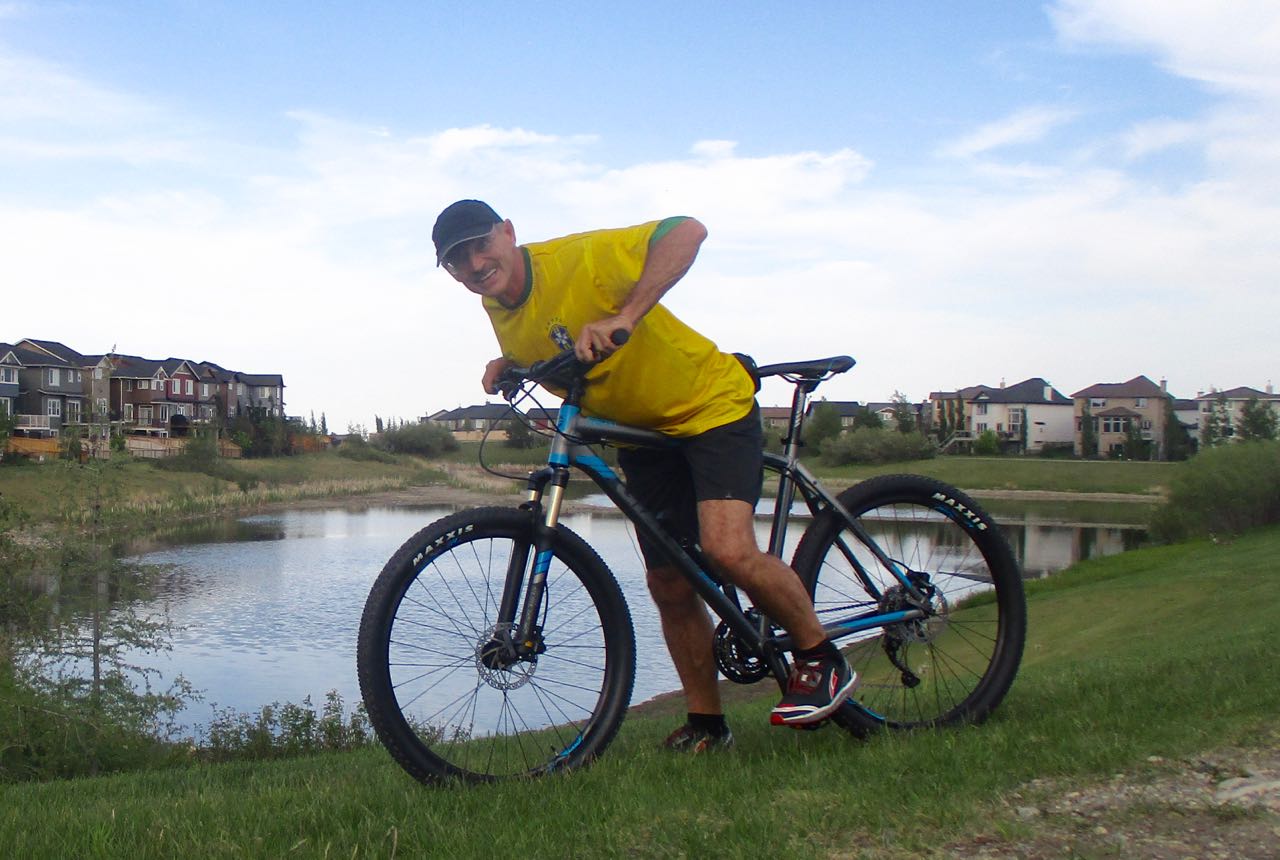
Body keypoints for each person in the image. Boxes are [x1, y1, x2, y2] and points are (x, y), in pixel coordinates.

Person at [432, 199, 857, 752]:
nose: (474, 264)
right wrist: (511, 364)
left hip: (710, 408)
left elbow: (687, 230)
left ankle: (821, 658)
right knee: (670, 584)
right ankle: (707, 725)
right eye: (457, 260)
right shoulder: (495, 301)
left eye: (481, 245)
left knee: (726, 550)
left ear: (508, 232)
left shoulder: (580, 258)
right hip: (644, 437)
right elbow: (555, 337)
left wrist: (626, 315)